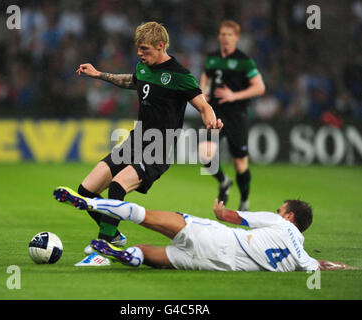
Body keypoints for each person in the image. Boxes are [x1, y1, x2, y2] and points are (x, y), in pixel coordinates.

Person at [71, 22, 223, 254]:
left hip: (158, 149)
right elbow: (132, 81)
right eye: (138, 49)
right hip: (135, 141)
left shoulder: (180, 75)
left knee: (117, 186)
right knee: (86, 191)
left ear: (160, 46)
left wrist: (211, 122)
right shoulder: (143, 67)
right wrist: (98, 74)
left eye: (145, 49)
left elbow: (203, 105)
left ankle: (104, 247)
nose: (140, 54)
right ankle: (115, 234)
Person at [53, 186, 356, 272]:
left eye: (280, 209)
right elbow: (322, 265)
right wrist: (348, 267)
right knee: (147, 254)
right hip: (215, 265)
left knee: (144, 215)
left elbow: (237, 218)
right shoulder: (300, 258)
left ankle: (88, 203)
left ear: (289, 216)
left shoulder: (279, 222)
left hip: (216, 236)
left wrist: (222, 211)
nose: (277, 212)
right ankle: (124, 255)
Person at [198, 20, 265, 210]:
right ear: (218, 36)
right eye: (222, 34)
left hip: (237, 116)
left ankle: (244, 200)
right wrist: (203, 91)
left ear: (236, 37)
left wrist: (234, 95)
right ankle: (224, 181)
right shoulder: (211, 58)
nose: (225, 38)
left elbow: (259, 87)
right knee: (205, 155)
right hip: (216, 113)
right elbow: (206, 77)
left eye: (229, 34)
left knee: (240, 164)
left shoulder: (244, 60)